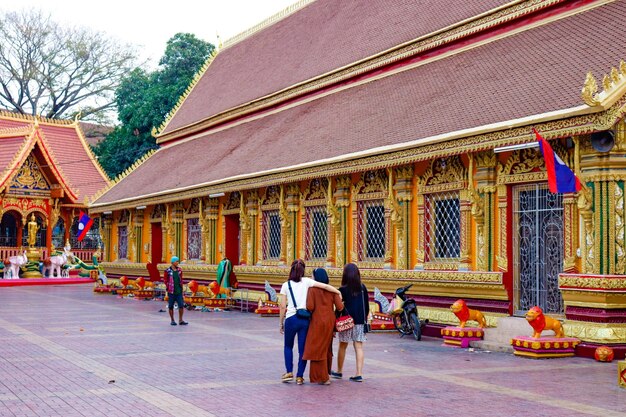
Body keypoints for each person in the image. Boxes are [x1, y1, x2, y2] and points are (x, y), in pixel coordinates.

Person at [279, 259, 341, 385]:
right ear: (303, 270)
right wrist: (337, 291)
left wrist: (281, 323)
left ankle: (289, 371)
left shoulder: (286, 285)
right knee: (303, 349)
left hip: (291, 318)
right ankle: (300, 377)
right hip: (304, 319)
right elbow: (324, 286)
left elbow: (282, 306)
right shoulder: (307, 282)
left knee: (288, 346)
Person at [302, 268, 343, 385]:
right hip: (330, 321)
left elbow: (310, 307)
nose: (311, 278)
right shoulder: (332, 290)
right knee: (326, 347)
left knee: (317, 348)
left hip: (317, 321)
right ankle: (325, 374)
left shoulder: (312, 290)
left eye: (312, 276)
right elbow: (340, 307)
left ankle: (323, 377)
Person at [332, 263, 369, 382]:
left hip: (346, 321)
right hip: (359, 321)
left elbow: (339, 306)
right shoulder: (362, 288)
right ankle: (358, 374)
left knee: (343, 345)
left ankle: (339, 371)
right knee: (358, 347)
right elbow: (367, 306)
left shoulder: (342, 290)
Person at [164, 256, 188, 326]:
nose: (177, 263)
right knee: (171, 306)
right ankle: (172, 320)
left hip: (179, 291)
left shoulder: (179, 270)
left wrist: (181, 288)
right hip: (171, 291)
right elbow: (165, 280)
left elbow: (181, 279)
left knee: (181, 305)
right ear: (172, 262)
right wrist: (168, 286)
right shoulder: (167, 271)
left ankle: (180, 320)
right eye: (176, 261)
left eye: (178, 261)